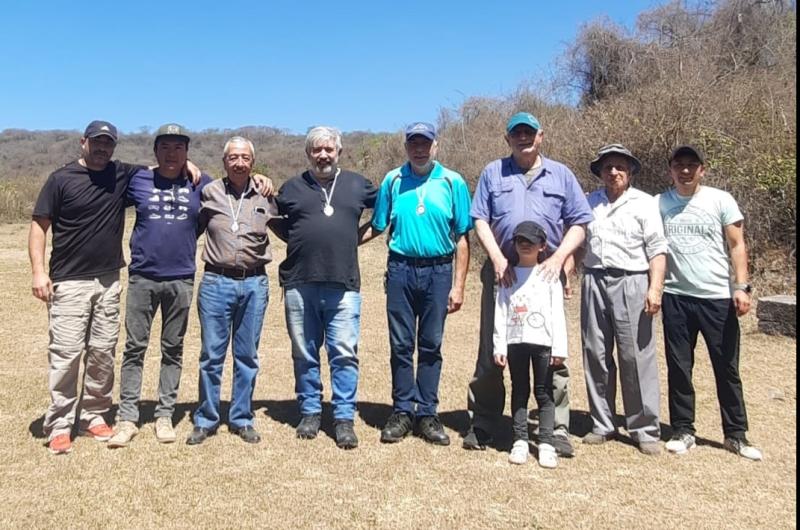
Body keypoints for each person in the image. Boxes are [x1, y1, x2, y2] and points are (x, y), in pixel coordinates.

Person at [465, 112, 593, 456]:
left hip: (546, 276)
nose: (523, 138)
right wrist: (495, 257)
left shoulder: (561, 175)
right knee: (494, 347)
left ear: (541, 137)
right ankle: (486, 421)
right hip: (503, 274)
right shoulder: (494, 172)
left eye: (529, 133)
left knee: (550, 351)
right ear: (507, 139)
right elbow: (479, 218)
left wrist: (558, 258)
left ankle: (557, 428)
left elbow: (580, 222)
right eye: (516, 134)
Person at [107, 124, 213, 448]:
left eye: (178, 148)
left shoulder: (201, 183)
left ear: (187, 152)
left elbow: (217, 207)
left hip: (181, 277)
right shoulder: (138, 179)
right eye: (165, 147)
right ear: (155, 152)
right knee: (134, 349)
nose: (171, 153)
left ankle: (164, 414)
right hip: (142, 276)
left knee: (173, 348)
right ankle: (127, 418)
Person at [272, 126, 377, 450]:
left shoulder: (358, 184)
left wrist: (355, 238)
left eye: (329, 149)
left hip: (343, 284)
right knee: (304, 353)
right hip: (300, 283)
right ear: (308, 154)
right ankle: (310, 412)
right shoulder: (291, 188)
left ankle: (344, 418)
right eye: (316, 150)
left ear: (339, 152)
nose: (323, 155)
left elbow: (386, 213)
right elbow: (274, 219)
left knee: (344, 353)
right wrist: (300, 241)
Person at [368, 122, 472, 446]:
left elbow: (463, 237)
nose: (419, 149)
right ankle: (402, 411)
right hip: (400, 269)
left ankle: (427, 413)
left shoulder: (452, 181)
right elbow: (378, 225)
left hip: (438, 272)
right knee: (400, 345)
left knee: (431, 344)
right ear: (406, 147)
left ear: (435, 146)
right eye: (413, 143)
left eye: (424, 143)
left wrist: (459, 286)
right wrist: (342, 243)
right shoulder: (393, 180)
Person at [657, 145, 762, 461]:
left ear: (703, 169)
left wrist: (741, 287)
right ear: (671, 170)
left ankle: (735, 435)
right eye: (679, 165)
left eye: (692, 165)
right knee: (679, 367)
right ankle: (683, 429)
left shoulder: (720, 200)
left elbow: (737, 244)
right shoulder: (659, 203)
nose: (685, 171)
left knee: (727, 367)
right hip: (675, 297)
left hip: (716, 298)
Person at [186, 136, 276, 446]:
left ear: (253, 162)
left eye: (245, 158)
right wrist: (185, 161)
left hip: (254, 282)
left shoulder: (267, 193)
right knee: (211, 355)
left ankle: (241, 417)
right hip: (216, 282)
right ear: (224, 162)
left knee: (247, 355)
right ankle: (206, 419)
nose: (239, 162)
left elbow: (291, 226)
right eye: (233, 157)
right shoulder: (208, 192)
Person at [578, 144, 667, 455]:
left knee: (636, 355)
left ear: (630, 171)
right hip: (594, 278)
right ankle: (602, 423)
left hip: (632, 280)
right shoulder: (589, 202)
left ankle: (644, 427)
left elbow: (657, 249)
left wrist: (655, 288)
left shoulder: (644, 204)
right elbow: (576, 239)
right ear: (600, 172)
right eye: (607, 167)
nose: (613, 172)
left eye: (619, 166)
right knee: (595, 352)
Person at [493, 221, 567, 469]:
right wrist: (499, 346)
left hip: (543, 344)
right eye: (520, 241)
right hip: (515, 343)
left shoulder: (549, 276)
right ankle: (520, 440)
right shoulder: (508, 275)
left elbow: (557, 313)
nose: (525, 245)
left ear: (542, 246)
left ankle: (545, 442)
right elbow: (501, 312)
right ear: (513, 244)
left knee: (544, 392)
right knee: (520, 390)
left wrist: (559, 348)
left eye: (531, 241)